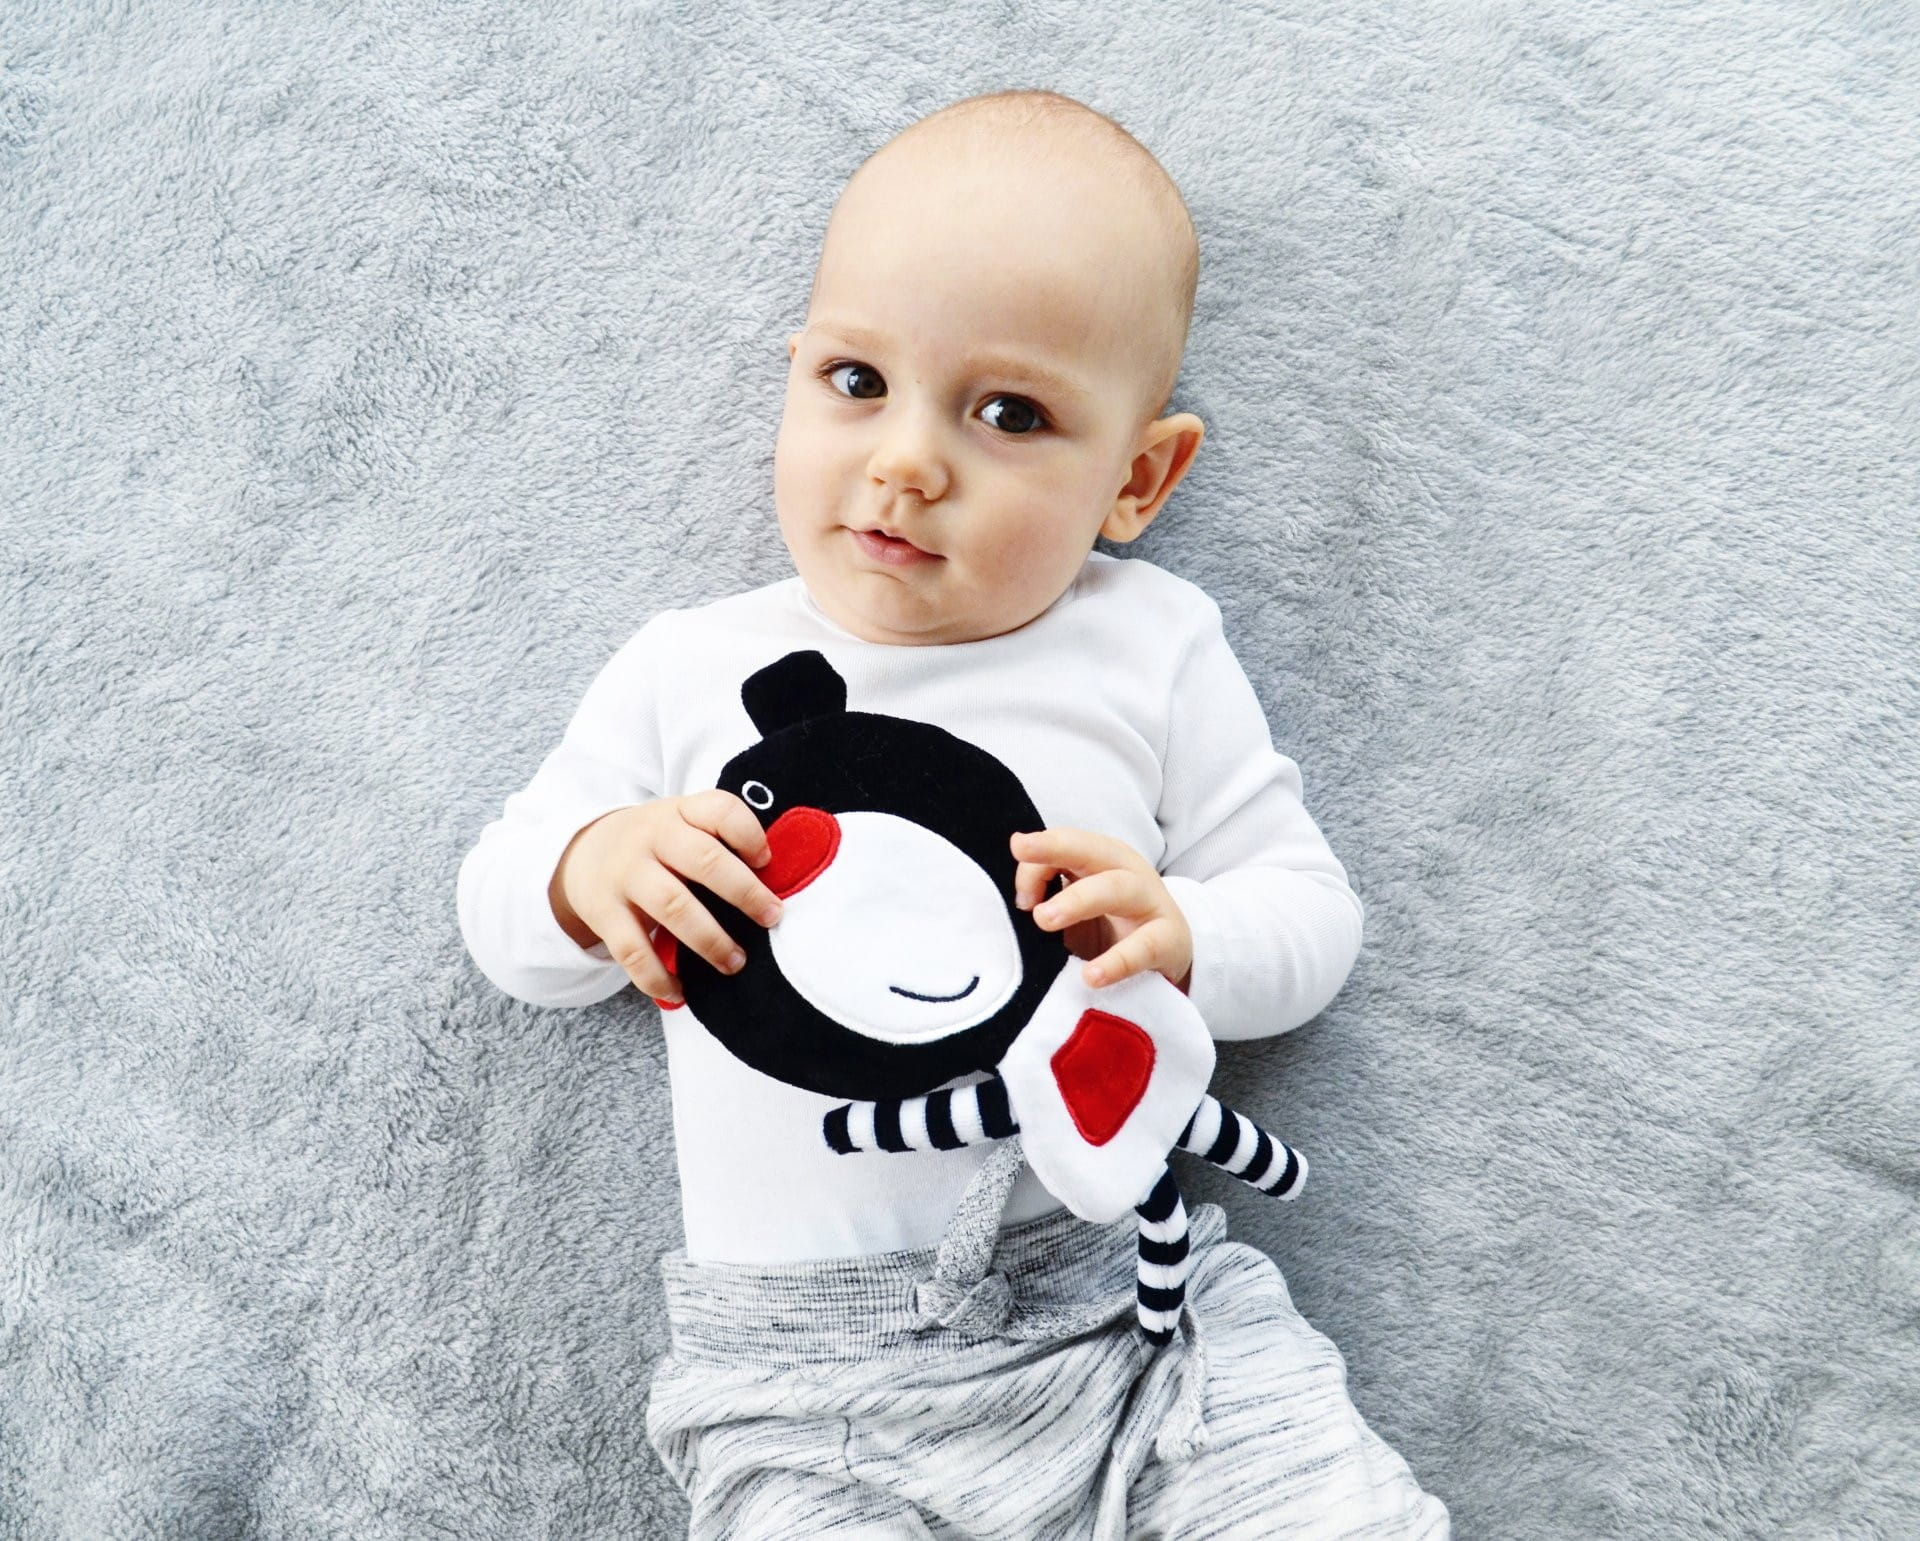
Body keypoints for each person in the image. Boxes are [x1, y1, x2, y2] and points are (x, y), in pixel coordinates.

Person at [457, 87, 1450, 1540]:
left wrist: (1187, 936)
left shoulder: (1149, 645)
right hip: (809, 1384)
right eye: (856, 380)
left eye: (1009, 414)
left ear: (1138, 477)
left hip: (1135, 1313)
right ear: (794, 377)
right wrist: (587, 870)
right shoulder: (689, 666)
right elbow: (502, 917)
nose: (907, 461)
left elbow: (1310, 918)